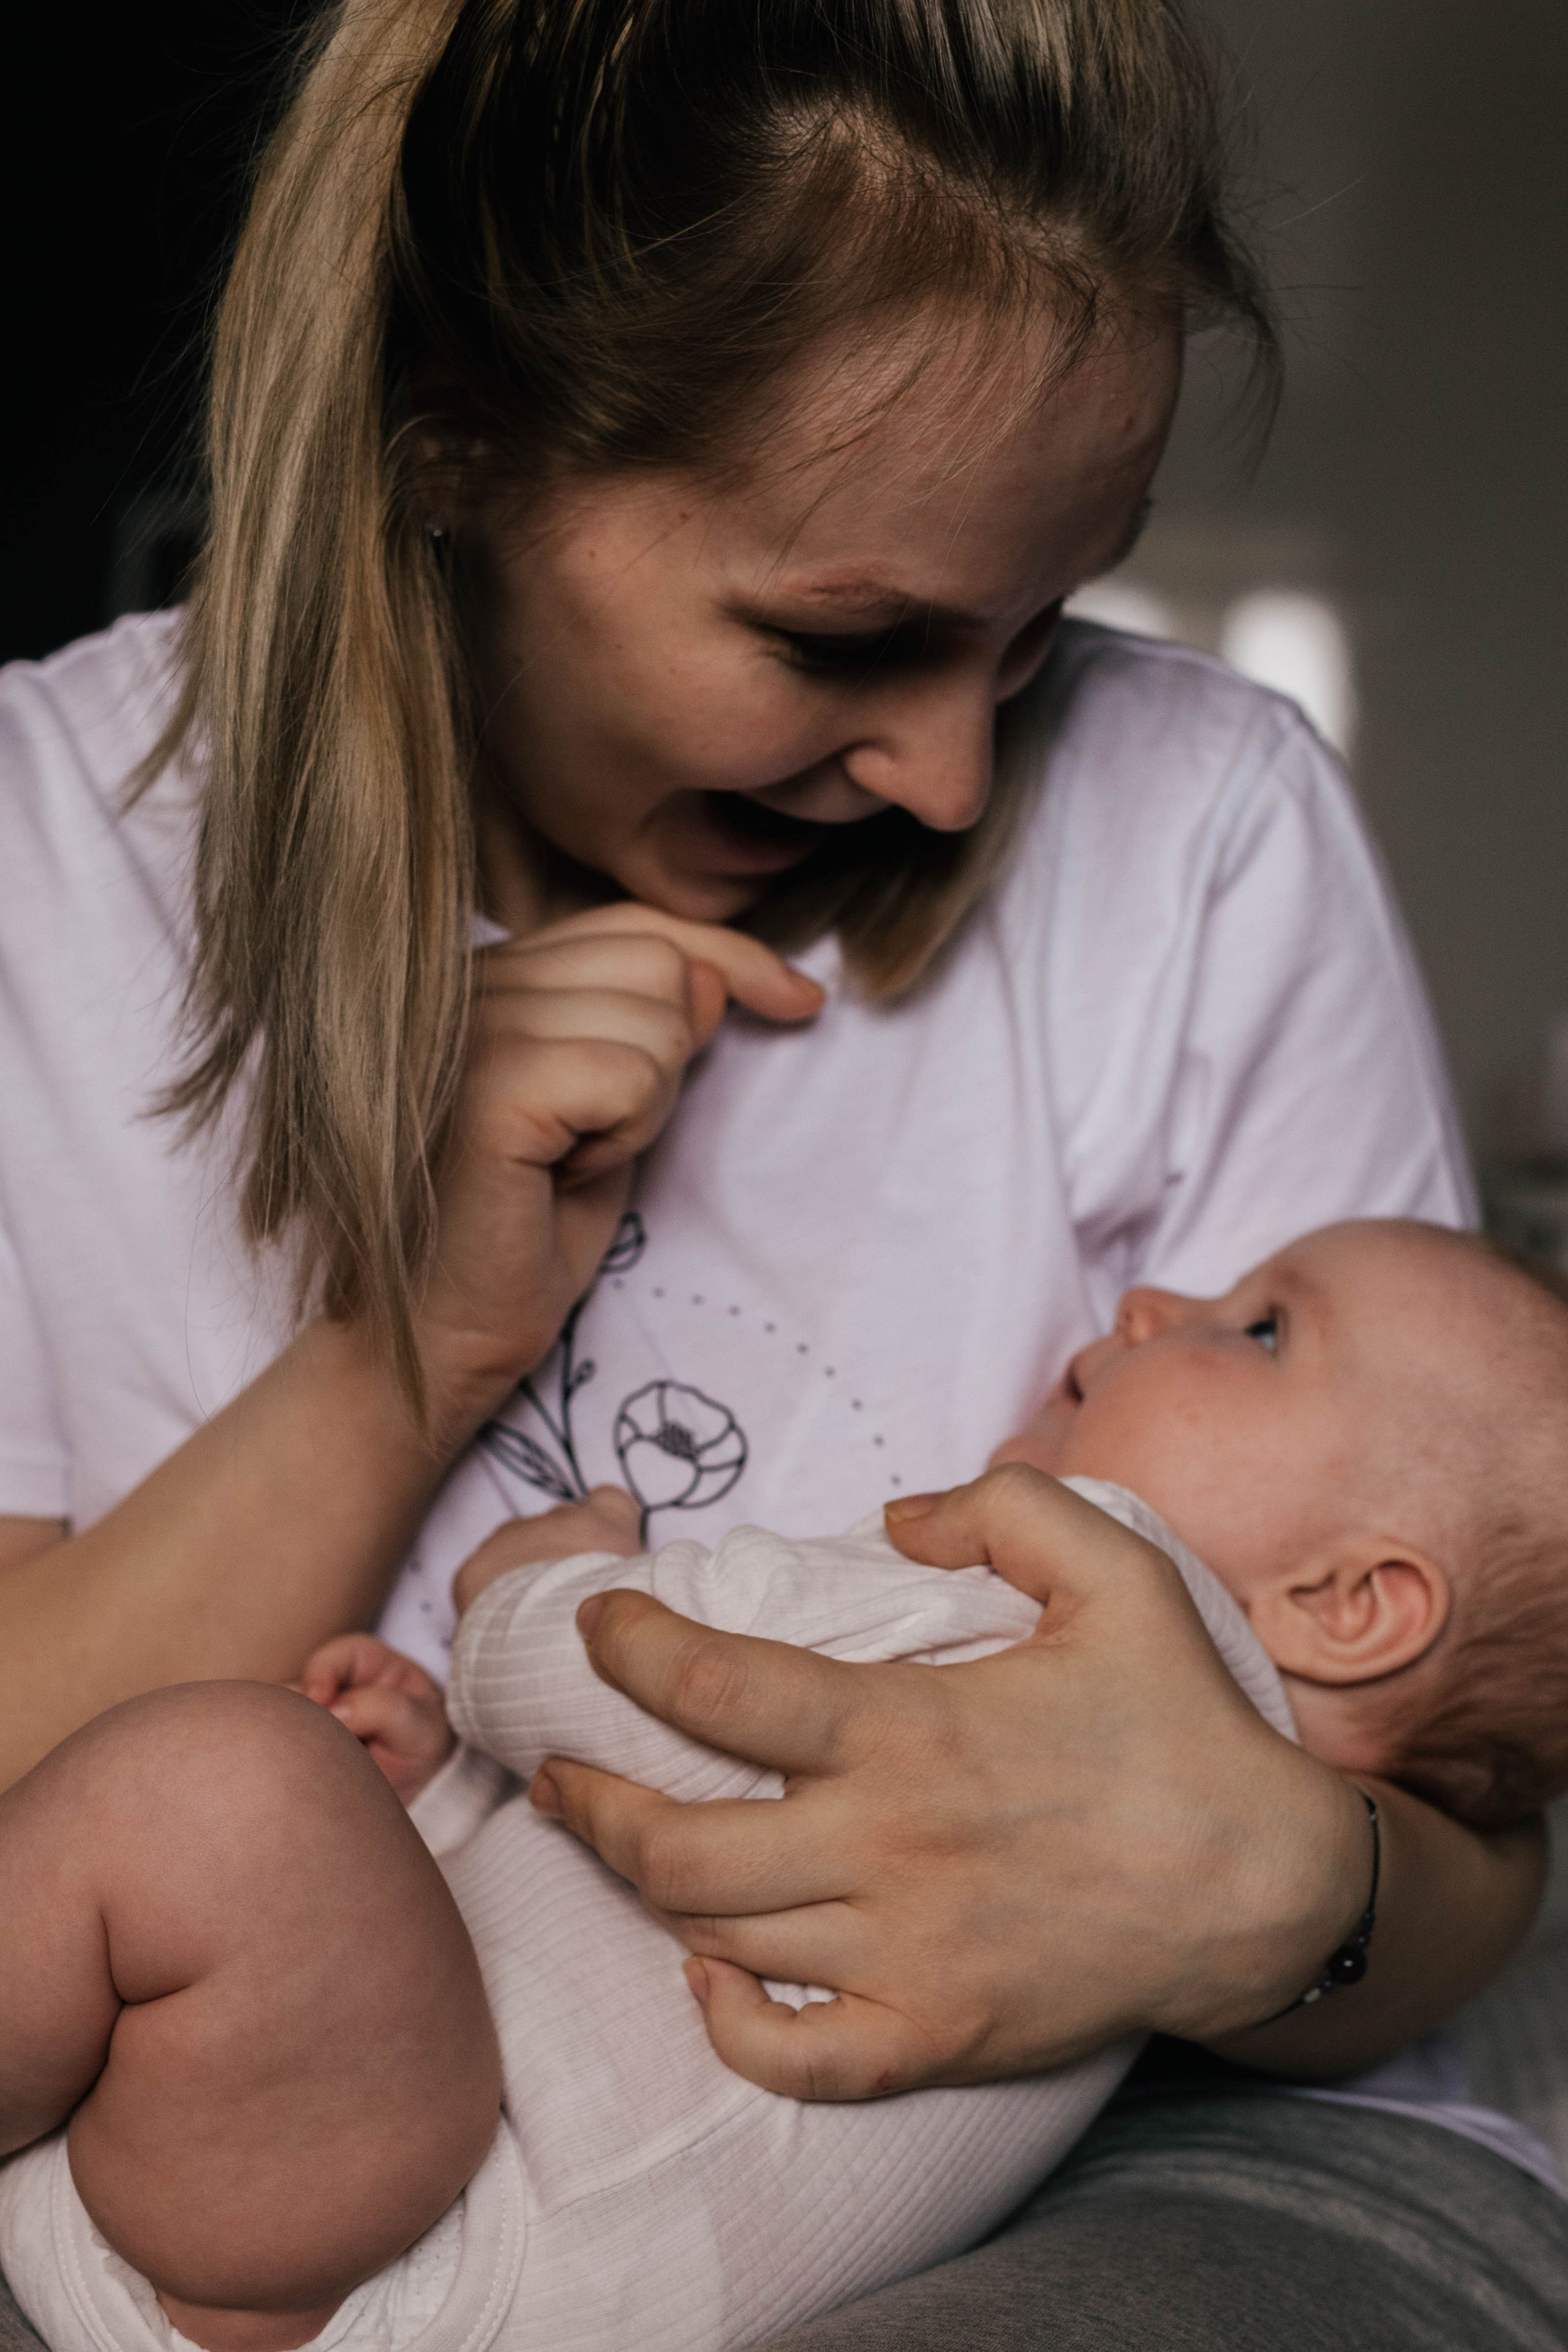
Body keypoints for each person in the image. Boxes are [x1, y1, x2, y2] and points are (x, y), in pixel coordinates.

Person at [0, 1, 1559, 2346]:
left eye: (1039, 627)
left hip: (1162, 2157)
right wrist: (418, 1343)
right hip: (243, 2176)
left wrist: (1261, 1888)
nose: (948, 773)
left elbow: (1459, 1828)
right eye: (846, 635)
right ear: (453, 443)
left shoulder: (1205, 816)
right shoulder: (46, 851)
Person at [5, 1217, 1567, 2352]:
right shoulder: (1149, 1901)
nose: (1158, 1297)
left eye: (1263, 1328)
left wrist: (528, 1597)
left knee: (215, 1788)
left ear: (1352, 1603)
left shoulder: (1093, 1610)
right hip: (378, 2252)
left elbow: (632, 1686)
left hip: (394, 2239)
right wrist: (434, 1799)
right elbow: (631, 1980)